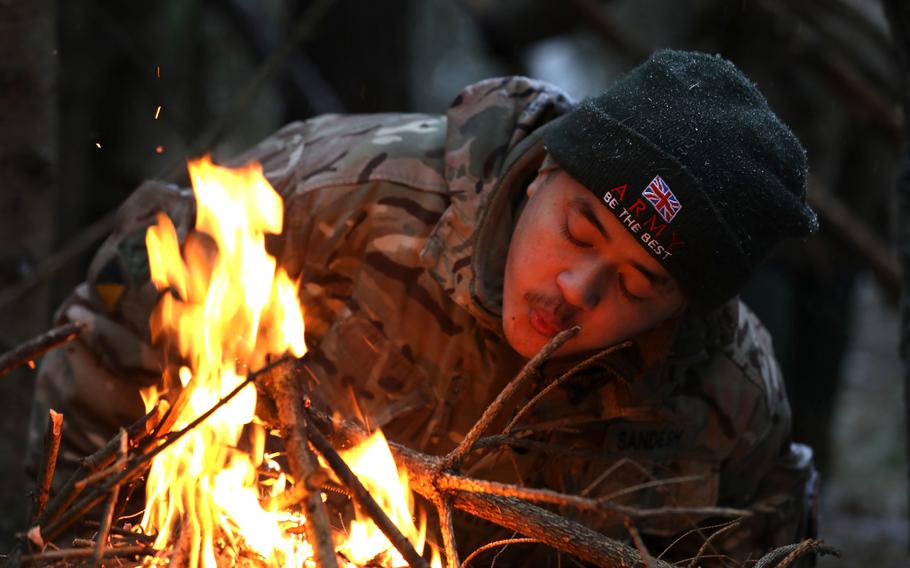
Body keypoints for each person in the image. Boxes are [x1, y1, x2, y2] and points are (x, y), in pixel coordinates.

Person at [28, 50, 818, 564]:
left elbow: (761, 544)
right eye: (581, 230)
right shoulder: (332, 196)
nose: (578, 289)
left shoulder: (729, 398)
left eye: (640, 284)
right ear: (541, 171)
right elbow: (105, 342)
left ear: (683, 311)